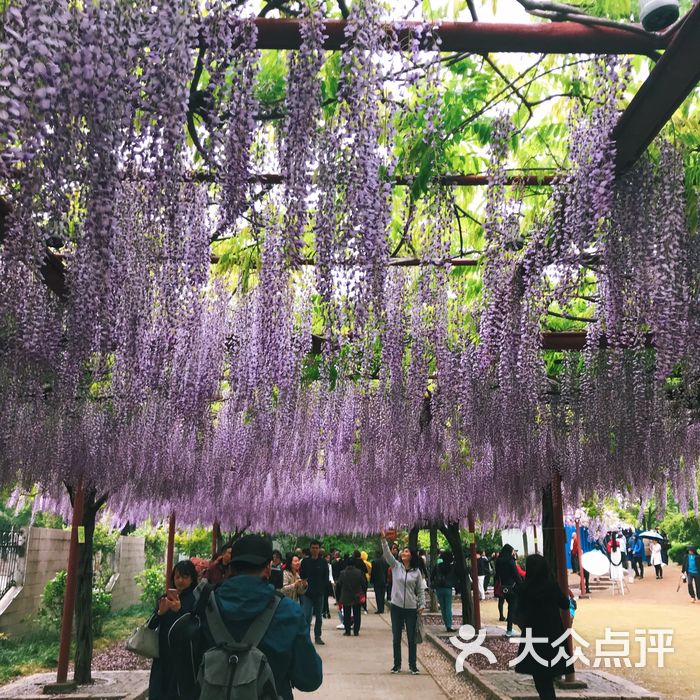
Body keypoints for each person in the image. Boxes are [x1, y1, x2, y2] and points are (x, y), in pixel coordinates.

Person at [212, 534, 323, 700]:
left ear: (232, 568)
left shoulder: (207, 605)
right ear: (268, 568)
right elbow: (310, 679)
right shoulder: (288, 611)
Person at [514, 554, 573, 700]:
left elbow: (518, 613)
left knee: (540, 678)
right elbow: (565, 604)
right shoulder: (551, 586)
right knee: (549, 674)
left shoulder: (524, 589)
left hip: (533, 636)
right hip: (553, 635)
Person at [148, 560, 198, 700]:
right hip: (162, 656)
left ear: (192, 578)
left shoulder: (195, 599)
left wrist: (180, 611)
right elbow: (150, 626)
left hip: (184, 657)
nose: (180, 580)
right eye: (177, 577)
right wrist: (160, 613)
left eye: (185, 577)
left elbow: (196, 627)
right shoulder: (165, 598)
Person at [380, 530, 425, 675]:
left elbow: (420, 590)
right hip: (397, 607)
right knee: (396, 637)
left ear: (411, 555)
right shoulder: (395, 566)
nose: (403, 552)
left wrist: (422, 604)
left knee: (411, 638)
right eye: (402, 551)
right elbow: (387, 553)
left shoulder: (416, 572)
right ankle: (396, 665)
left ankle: (413, 666)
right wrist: (383, 540)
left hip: (412, 608)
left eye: (406, 551)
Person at [300, 539, 330, 645]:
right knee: (306, 616)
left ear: (319, 549)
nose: (315, 550)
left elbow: (326, 578)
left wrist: (322, 589)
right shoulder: (305, 562)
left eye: (317, 548)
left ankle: (318, 636)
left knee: (319, 617)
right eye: (313, 548)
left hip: (319, 594)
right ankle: (306, 637)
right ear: (310, 549)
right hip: (307, 594)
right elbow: (302, 576)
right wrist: (304, 583)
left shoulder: (323, 562)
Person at [494, 543, 522, 637]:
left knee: (511, 607)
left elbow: (497, 576)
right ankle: (510, 630)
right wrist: (521, 585)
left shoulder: (498, 562)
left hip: (504, 588)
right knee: (513, 608)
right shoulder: (510, 561)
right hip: (513, 587)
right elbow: (516, 575)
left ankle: (510, 629)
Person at [336, 557, 367, 636]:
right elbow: (364, 584)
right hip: (357, 595)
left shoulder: (342, 573)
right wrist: (362, 593)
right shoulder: (359, 572)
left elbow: (339, 585)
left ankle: (347, 631)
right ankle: (356, 631)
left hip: (346, 596)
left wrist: (338, 597)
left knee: (347, 614)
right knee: (357, 614)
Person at [431, 550, 458, 632]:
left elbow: (432, 577)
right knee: (448, 607)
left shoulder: (437, 566)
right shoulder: (452, 567)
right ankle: (449, 626)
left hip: (439, 588)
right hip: (448, 588)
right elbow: (455, 578)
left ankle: (447, 624)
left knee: (443, 608)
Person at [370, 549, 388, 614]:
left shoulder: (374, 562)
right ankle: (382, 608)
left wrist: (371, 580)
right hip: (383, 580)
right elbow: (386, 572)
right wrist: (386, 580)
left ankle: (379, 608)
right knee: (382, 595)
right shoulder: (385, 561)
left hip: (377, 580)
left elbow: (373, 572)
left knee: (378, 595)